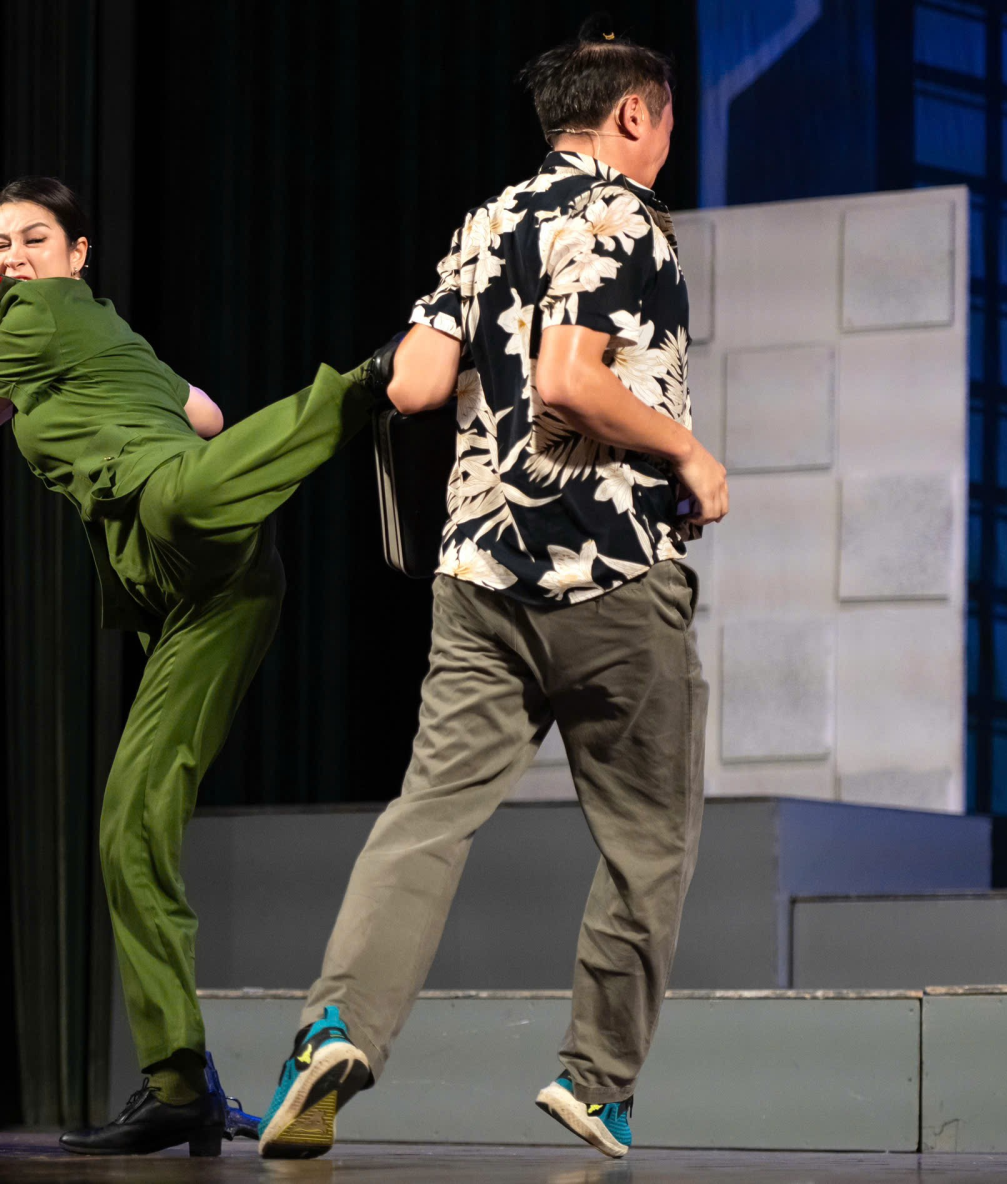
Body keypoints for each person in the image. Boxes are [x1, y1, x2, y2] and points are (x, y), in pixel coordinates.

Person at [257, 22, 728, 1160]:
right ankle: (595, 1079)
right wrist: (689, 453)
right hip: (613, 574)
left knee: (429, 815)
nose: (668, 139)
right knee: (649, 838)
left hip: (479, 578)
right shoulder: (626, 219)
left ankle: (337, 1025)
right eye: (667, 119)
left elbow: (416, 382)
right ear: (633, 115)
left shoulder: (488, 220)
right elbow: (570, 379)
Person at [0, 177, 381, 1157]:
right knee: (128, 824)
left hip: (188, 522)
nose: (11, 258)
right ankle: (181, 1083)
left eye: (33, 239)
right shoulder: (110, 340)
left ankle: (368, 383)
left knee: (178, 498)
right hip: (216, 593)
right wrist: (92, 387)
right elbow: (210, 411)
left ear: (77, 255)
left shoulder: (39, 314)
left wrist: (32, 375)